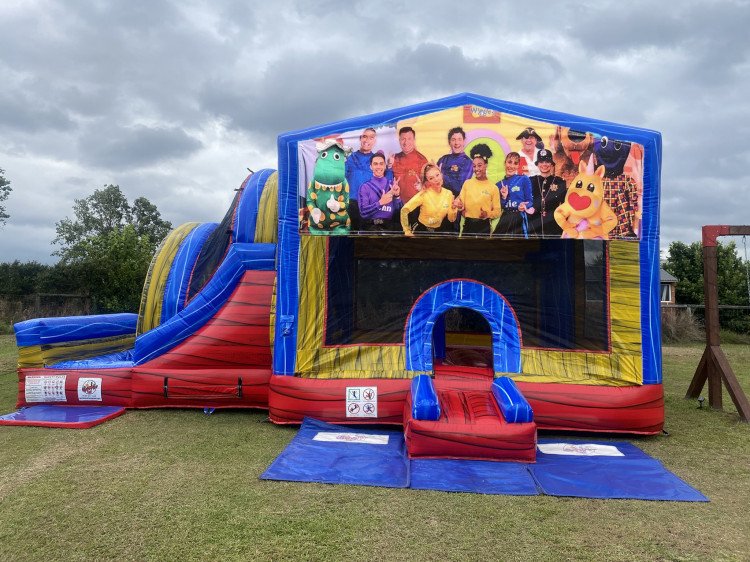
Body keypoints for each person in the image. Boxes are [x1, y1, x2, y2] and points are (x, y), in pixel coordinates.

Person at [453, 143, 500, 236]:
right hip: (468, 226)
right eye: (474, 166)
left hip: (484, 227)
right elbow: (460, 203)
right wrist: (459, 205)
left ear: (486, 165)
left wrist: (487, 214)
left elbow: (497, 212)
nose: (476, 169)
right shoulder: (467, 183)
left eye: (479, 165)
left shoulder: (493, 188)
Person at [400, 164, 457, 236]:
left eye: (437, 175)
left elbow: (451, 219)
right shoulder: (424, 194)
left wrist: (454, 208)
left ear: (441, 174)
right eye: (431, 178)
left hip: (438, 231)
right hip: (422, 230)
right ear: (428, 181)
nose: (436, 179)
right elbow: (404, 210)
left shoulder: (448, 194)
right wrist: (407, 231)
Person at [357, 152, 402, 232]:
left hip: (389, 228)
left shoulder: (392, 185)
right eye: (375, 164)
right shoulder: (364, 187)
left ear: (385, 166)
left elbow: (399, 212)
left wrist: (397, 196)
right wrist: (380, 203)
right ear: (371, 167)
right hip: (371, 228)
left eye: (381, 164)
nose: (378, 166)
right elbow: (363, 213)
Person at [345, 127, 378, 230]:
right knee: (350, 237)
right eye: (364, 136)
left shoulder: (377, 160)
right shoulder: (349, 157)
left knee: (366, 239)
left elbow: (383, 181)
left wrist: (389, 167)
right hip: (351, 203)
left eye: (371, 138)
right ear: (360, 138)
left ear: (375, 141)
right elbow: (341, 178)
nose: (367, 140)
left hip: (369, 204)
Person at [496, 152, 535, 237]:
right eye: (509, 162)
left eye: (516, 163)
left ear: (518, 166)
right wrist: (503, 197)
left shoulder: (524, 179)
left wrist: (524, 206)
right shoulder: (499, 184)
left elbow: (530, 201)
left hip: (519, 218)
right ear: (505, 163)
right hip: (504, 218)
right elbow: (499, 207)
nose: (512, 166)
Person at [529, 149, 567, 237]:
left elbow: (565, 206)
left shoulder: (560, 182)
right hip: (534, 227)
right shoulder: (531, 181)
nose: (544, 164)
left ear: (551, 164)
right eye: (541, 162)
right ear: (538, 164)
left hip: (554, 226)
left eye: (547, 161)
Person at [389, 126, 428, 203]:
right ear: (399, 140)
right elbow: (387, 180)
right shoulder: (394, 158)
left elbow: (429, 184)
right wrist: (389, 166)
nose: (406, 142)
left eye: (409, 139)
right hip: (396, 204)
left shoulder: (422, 160)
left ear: (414, 140)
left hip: (415, 205)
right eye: (403, 139)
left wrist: (423, 187)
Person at [437, 127, 473, 196]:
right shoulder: (443, 159)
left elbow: (460, 187)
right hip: (439, 201)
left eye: (459, 139)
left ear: (464, 141)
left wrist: (441, 176)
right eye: (453, 140)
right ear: (449, 142)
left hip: (456, 203)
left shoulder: (468, 162)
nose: (456, 143)